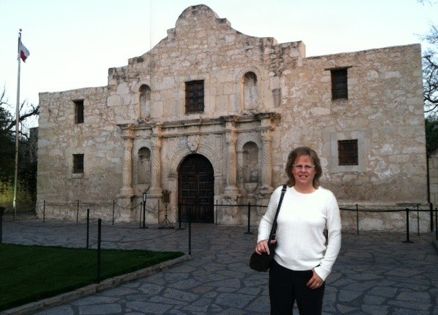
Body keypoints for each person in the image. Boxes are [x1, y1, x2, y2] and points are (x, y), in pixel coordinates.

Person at [255, 146, 341, 315]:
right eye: (298, 166)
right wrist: (261, 239)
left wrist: (323, 270)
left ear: (315, 170)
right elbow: (267, 219)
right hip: (280, 271)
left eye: (308, 166)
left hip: (312, 274)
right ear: (291, 169)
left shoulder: (326, 198)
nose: (303, 170)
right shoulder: (280, 193)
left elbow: (335, 235)